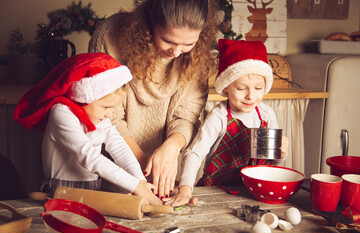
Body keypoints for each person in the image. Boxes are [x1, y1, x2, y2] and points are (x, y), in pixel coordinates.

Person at [88, 0, 219, 198]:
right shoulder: (110, 36)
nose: (176, 52)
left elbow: (188, 115)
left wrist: (172, 147)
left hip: (163, 179)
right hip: (110, 174)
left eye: (188, 44)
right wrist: (147, 168)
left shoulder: (199, 54)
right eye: (168, 40)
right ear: (150, 18)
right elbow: (107, 116)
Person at [13, 53, 162, 205]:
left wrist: (141, 182)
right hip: (60, 191)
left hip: (92, 190)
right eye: (106, 107)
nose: (110, 114)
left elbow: (119, 147)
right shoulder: (61, 113)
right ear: (84, 97)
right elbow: (89, 158)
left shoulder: (99, 117)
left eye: (113, 108)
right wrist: (135, 186)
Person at [163, 39, 290, 207]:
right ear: (226, 87)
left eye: (258, 88)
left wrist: (281, 154)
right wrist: (185, 188)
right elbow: (195, 153)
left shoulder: (266, 114)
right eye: (241, 88)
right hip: (218, 191)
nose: (250, 96)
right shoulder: (219, 115)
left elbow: (273, 162)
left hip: (255, 193)